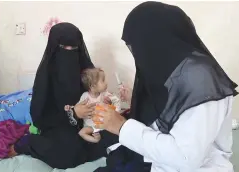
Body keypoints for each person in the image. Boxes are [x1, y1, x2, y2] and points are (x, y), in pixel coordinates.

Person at [94, 2, 238, 172]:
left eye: (138, 45)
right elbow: (166, 110)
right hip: (158, 160)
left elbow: (185, 159)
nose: (137, 53)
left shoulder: (200, 80)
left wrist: (122, 127)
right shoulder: (172, 70)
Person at [11, 23, 118, 169]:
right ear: (55, 48)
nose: (70, 52)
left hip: (89, 124)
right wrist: (73, 113)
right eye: (64, 48)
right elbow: (39, 117)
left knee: (120, 135)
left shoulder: (86, 70)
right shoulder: (46, 76)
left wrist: (106, 100)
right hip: (59, 128)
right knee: (67, 153)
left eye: (74, 48)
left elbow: (96, 92)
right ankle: (29, 142)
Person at [76, 68, 121, 143]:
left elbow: (117, 102)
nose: (106, 83)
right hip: (91, 126)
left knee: (117, 125)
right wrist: (71, 108)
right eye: (103, 80)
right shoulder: (85, 96)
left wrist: (111, 104)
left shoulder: (105, 94)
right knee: (82, 132)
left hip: (105, 123)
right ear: (93, 86)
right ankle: (95, 139)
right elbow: (79, 108)